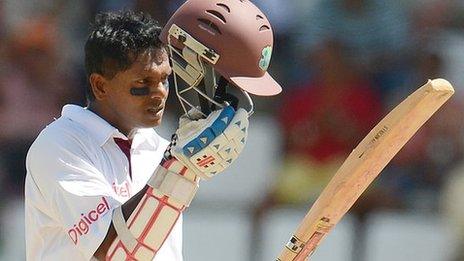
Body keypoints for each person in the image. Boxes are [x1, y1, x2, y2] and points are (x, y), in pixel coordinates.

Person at [25, 1, 281, 260]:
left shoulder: (160, 148)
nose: (159, 93)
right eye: (143, 82)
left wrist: (176, 167)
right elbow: (115, 253)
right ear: (100, 86)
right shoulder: (59, 146)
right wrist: (179, 170)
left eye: (164, 79)